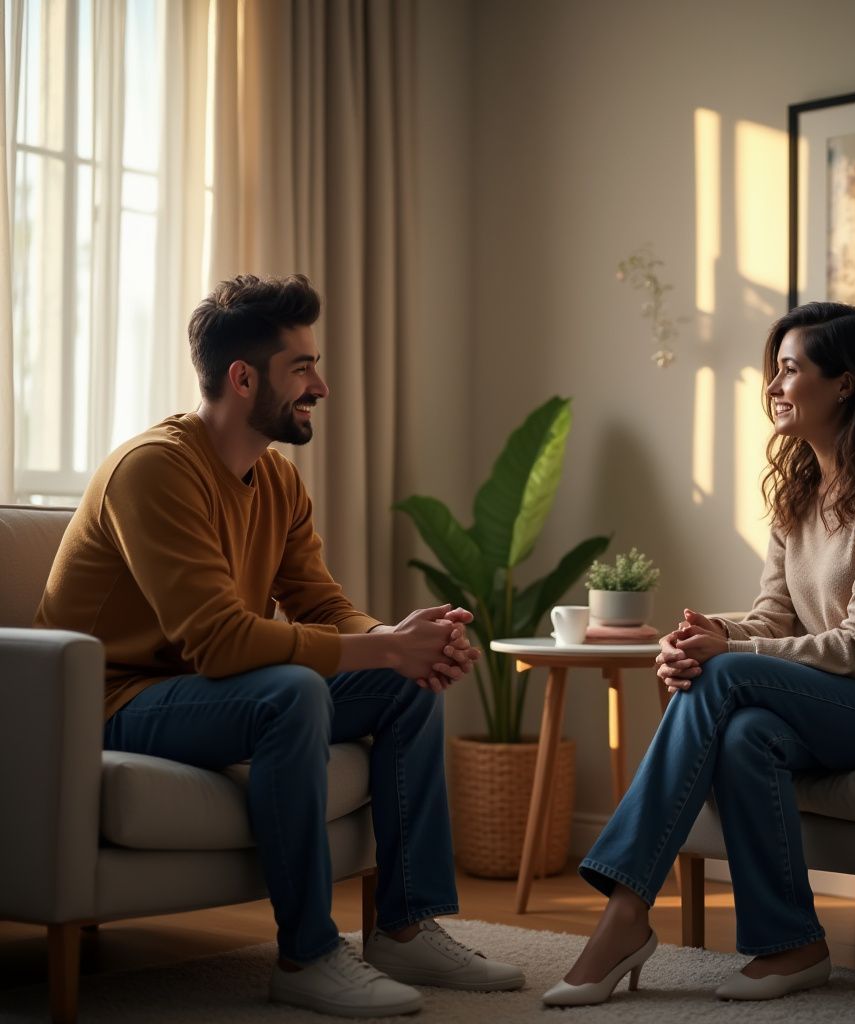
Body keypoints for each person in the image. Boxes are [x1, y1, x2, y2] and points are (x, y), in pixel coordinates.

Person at [36, 273, 525, 1018]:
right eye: (302, 368)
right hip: (108, 702)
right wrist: (385, 650)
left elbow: (322, 606)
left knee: (404, 683)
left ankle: (403, 927)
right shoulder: (154, 470)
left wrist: (400, 643)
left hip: (200, 694)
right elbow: (220, 641)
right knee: (289, 691)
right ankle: (307, 954)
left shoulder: (278, 483)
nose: (320, 387)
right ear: (242, 379)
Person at [543, 301, 855, 1007]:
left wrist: (727, 650)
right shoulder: (799, 495)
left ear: (845, 384)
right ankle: (792, 943)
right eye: (775, 370)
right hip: (849, 699)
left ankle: (625, 912)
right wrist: (703, 634)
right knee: (746, 734)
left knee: (727, 674)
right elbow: (770, 619)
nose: (773, 386)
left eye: (790, 370)